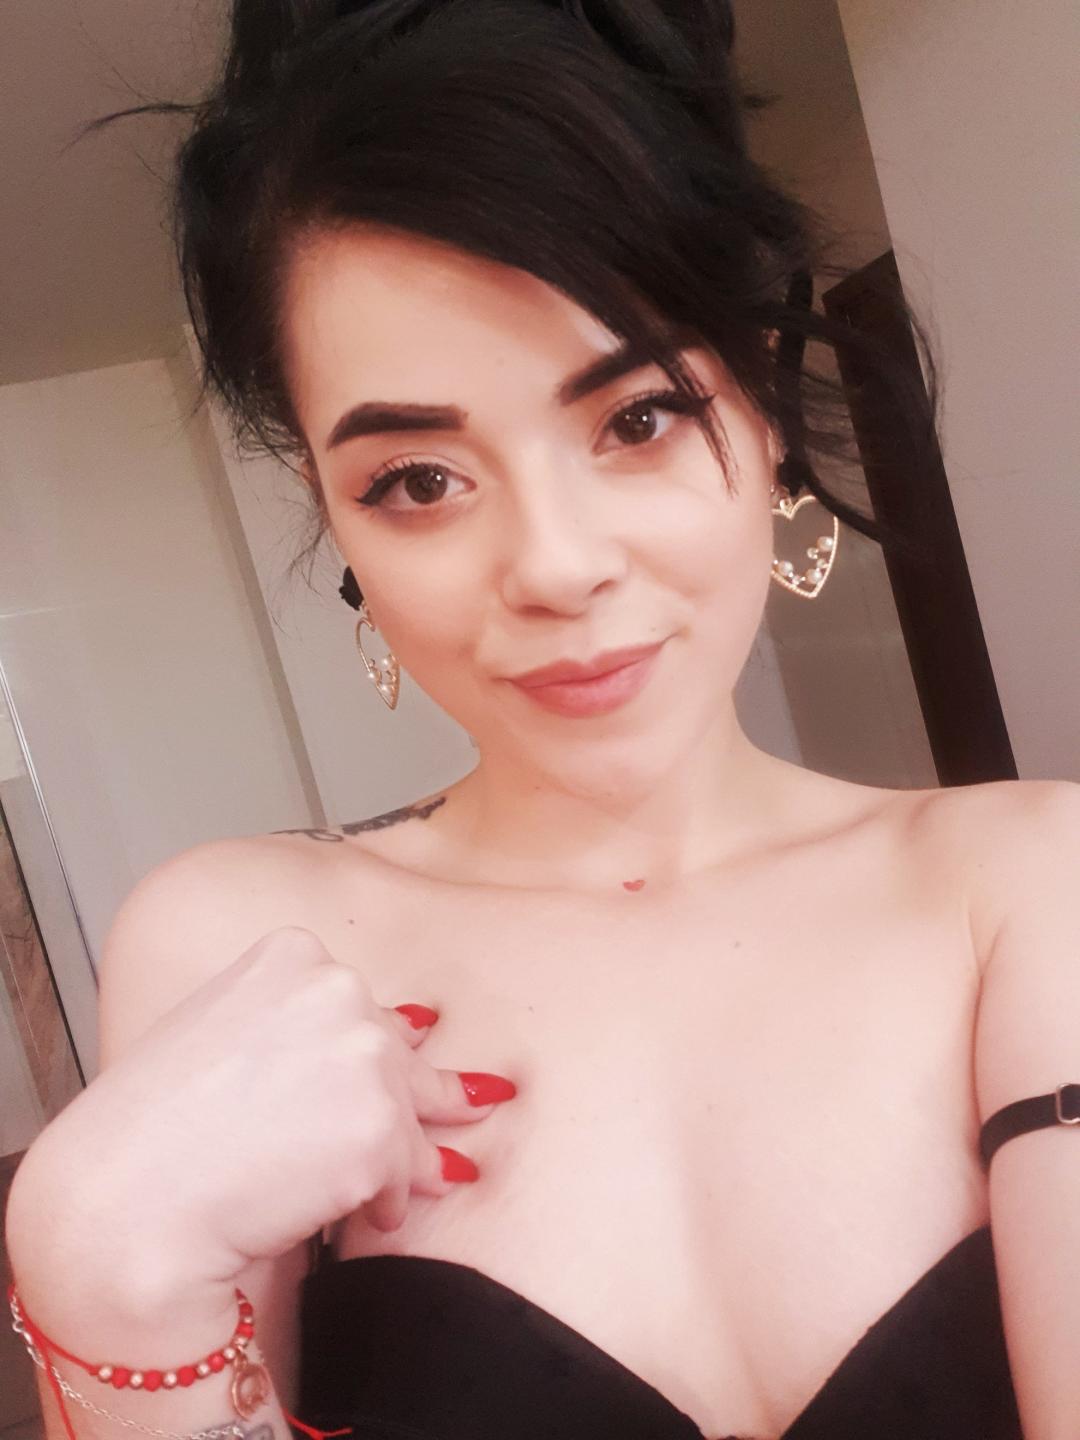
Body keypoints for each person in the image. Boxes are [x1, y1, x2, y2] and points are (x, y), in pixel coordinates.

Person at [6, 3, 1079, 1438]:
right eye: (419, 480)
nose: (556, 566)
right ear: (337, 519)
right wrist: (97, 1265)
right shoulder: (244, 949)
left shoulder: (1028, 886)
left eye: (637, 418)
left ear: (762, 410)